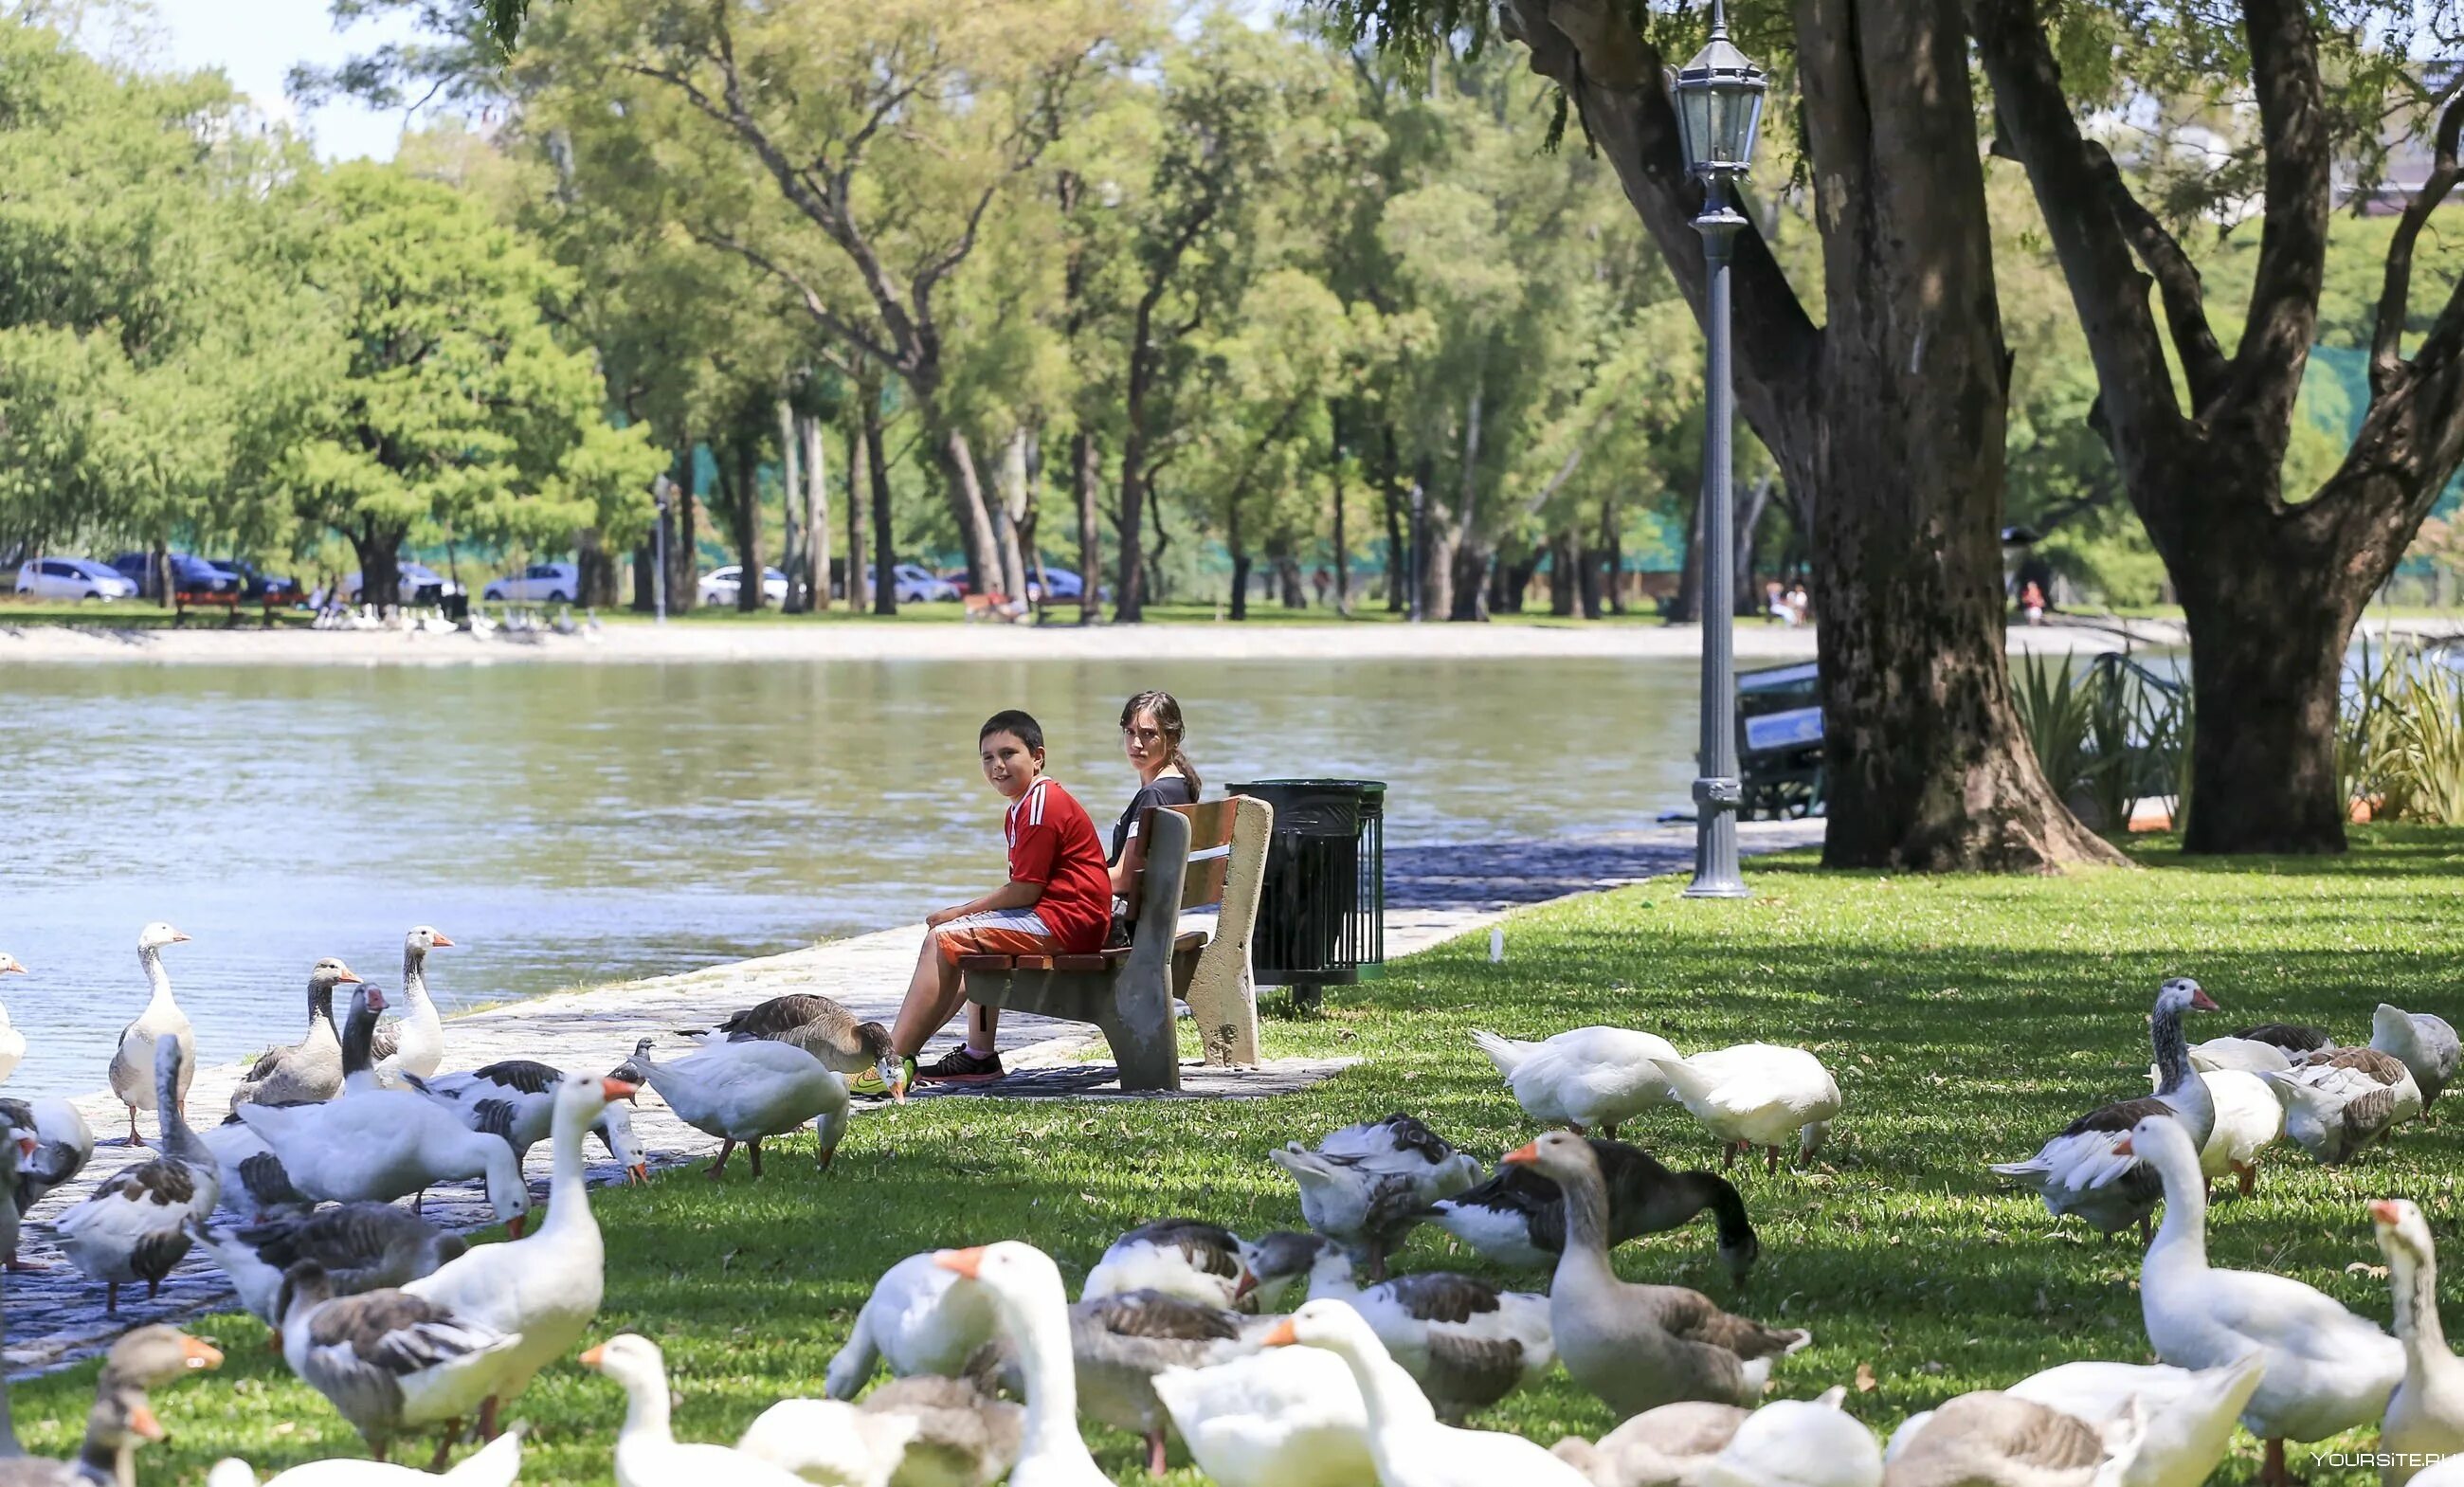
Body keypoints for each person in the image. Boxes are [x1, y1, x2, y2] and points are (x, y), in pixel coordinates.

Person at [854, 710, 1115, 1095]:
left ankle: (889, 1065)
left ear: (1037, 756)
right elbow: (1025, 890)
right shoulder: (1024, 805)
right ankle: (915, 1060)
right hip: (1064, 918)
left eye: (1009, 754)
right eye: (988, 757)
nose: (998, 766)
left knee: (942, 939)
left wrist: (959, 912)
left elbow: (1025, 890)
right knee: (956, 943)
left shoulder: (1041, 805)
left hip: (1067, 923)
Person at [1107, 691, 1202, 944]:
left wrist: (1066, 884)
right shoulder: (1182, 786)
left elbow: (1124, 877)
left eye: (1148, 734)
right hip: (1155, 916)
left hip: (1131, 926)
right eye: (1130, 732)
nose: (1136, 744)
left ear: (1172, 738)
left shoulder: (1154, 796)